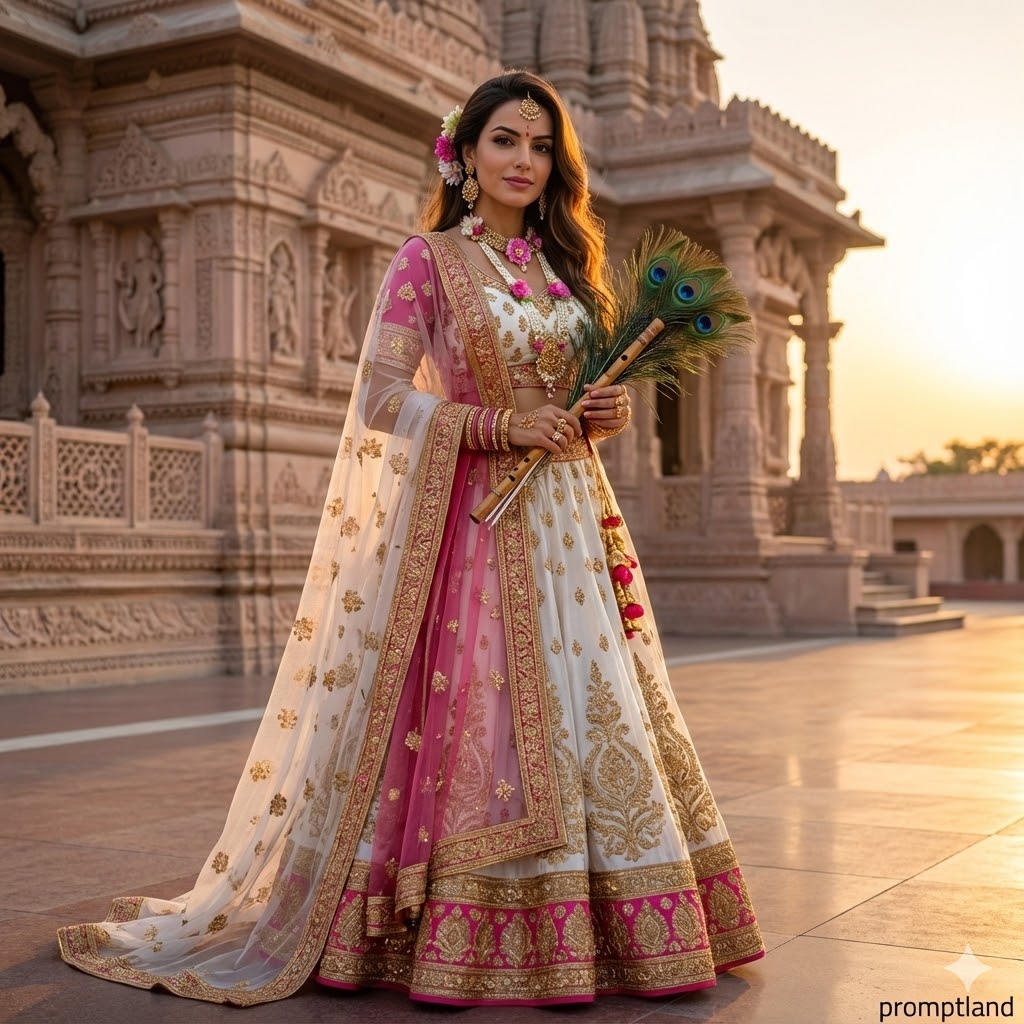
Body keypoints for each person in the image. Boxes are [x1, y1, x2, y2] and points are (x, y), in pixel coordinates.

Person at [58, 69, 765, 1007]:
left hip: (566, 528)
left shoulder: (562, 272)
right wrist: (497, 426)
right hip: (470, 526)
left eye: (542, 145)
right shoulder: (426, 261)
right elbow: (381, 398)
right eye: (505, 141)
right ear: (464, 154)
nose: (524, 160)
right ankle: (451, 930)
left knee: (589, 706)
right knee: (481, 715)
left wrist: (601, 415)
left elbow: (573, 404)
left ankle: (607, 928)